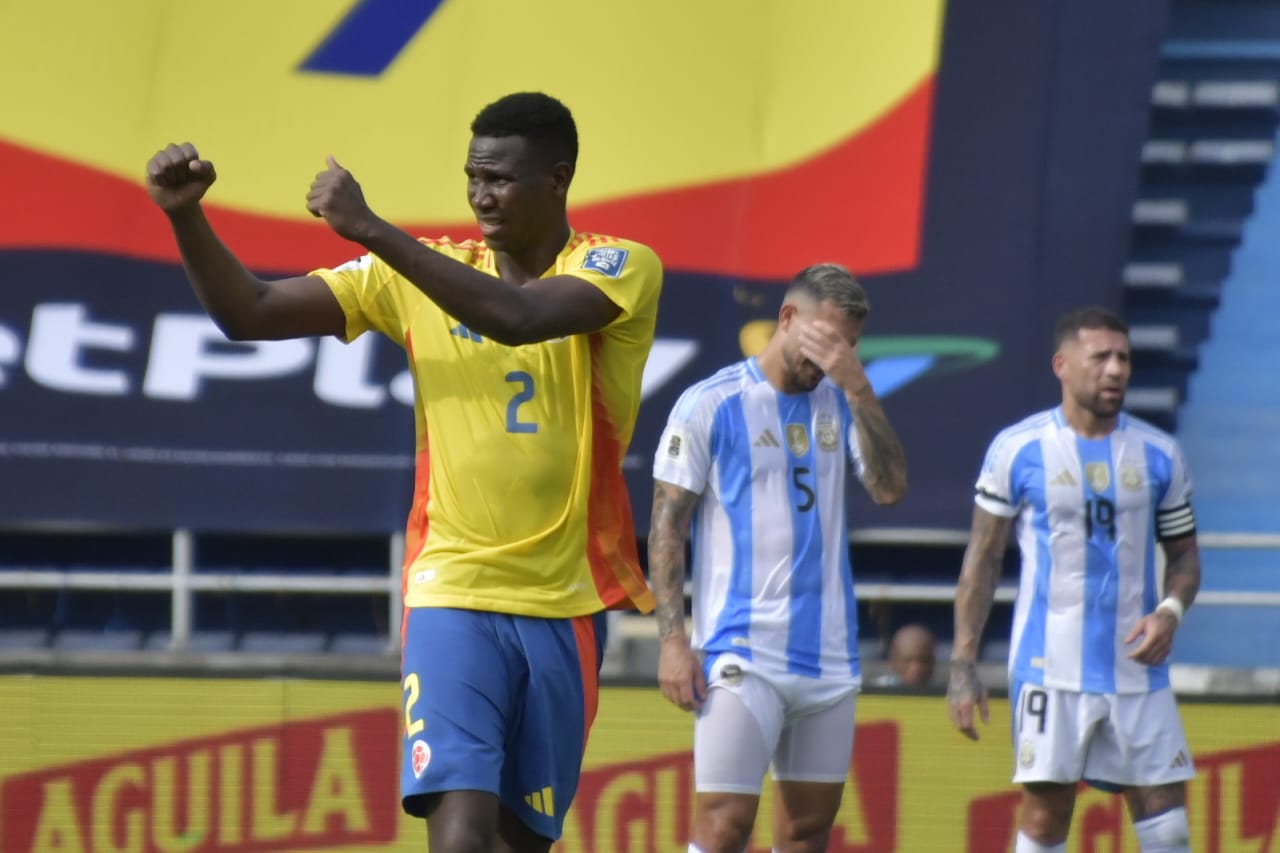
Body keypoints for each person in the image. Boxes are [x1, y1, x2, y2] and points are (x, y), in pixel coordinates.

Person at [145, 92, 662, 853]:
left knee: (522, 842)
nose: (481, 194)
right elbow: (251, 310)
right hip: (451, 590)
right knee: (459, 837)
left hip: (565, 602)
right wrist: (186, 218)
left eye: (501, 178)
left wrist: (372, 228)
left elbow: (518, 319)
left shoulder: (619, 267)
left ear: (558, 179)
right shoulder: (416, 273)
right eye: (472, 175)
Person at [649, 264, 907, 853]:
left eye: (849, 344)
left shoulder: (843, 402)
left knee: (808, 833)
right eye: (827, 337)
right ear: (787, 318)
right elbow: (668, 524)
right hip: (742, 650)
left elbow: (890, 488)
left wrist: (858, 386)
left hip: (829, 657)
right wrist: (672, 639)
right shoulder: (712, 403)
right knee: (724, 825)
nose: (836, 355)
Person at [947, 307, 1200, 853]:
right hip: (1050, 666)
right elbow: (982, 559)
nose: (1115, 370)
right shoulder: (1018, 449)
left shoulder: (1160, 454)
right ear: (1062, 365)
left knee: (1169, 824)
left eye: (1124, 358)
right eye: (1101, 357)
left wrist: (1170, 612)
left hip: (1137, 667)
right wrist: (963, 663)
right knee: (1046, 814)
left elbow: (1184, 557)